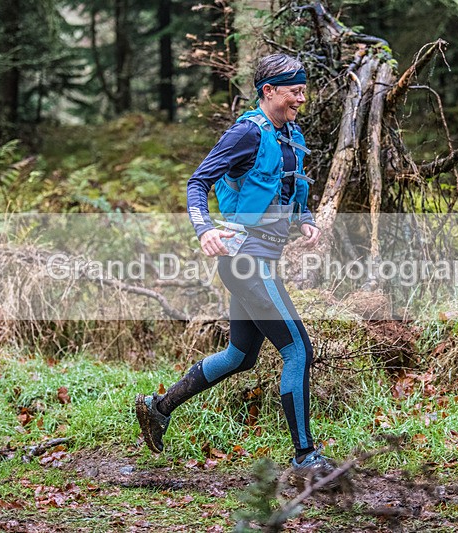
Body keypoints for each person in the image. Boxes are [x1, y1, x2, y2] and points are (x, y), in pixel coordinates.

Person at [136, 53, 335, 482]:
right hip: (246, 261)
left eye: (303, 90)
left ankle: (158, 408)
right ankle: (305, 458)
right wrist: (204, 228)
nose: (301, 98)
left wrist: (305, 219)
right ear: (269, 91)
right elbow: (197, 182)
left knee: (240, 356)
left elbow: (286, 189)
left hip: (263, 260)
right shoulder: (246, 132)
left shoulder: (290, 134)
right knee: (298, 348)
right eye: (294, 91)